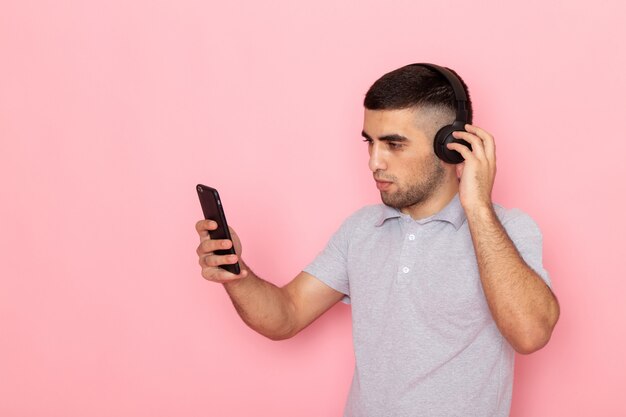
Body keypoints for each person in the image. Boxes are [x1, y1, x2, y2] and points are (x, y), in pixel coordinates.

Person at [195, 63, 560, 417]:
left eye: (394, 145)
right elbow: (285, 315)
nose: (374, 162)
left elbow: (530, 334)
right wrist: (236, 274)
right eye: (370, 142)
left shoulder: (508, 230)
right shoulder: (361, 229)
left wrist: (478, 207)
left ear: (452, 146)